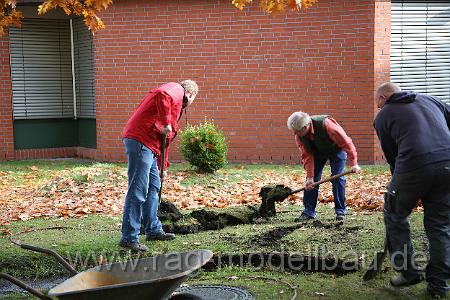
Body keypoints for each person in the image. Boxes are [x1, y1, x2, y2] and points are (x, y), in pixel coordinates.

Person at [374, 82, 450, 298]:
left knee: (394, 214)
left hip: (412, 165)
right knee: (440, 225)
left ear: (383, 98)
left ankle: (408, 272)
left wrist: (400, 184)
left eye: (378, 103)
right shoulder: (431, 100)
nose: (378, 108)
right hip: (448, 164)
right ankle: (439, 286)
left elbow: (392, 156)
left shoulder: (383, 116)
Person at [119, 80, 198, 252]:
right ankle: (129, 238)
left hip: (151, 148)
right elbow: (161, 95)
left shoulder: (175, 108)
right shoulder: (177, 90)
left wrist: (164, 168)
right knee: (138, 190)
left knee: (154, 186)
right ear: (190, 95)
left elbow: (165, 141)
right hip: (141, 140)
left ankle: (153, 229)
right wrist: (166, 122)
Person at [287, 112, 361, 222]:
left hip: (336, 150)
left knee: (337, 178)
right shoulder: (299, 135)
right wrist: (310, 177)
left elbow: (347, 143)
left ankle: (340, 211)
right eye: (293, 132)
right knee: (311, 182)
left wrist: (354, 163)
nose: (295, 134)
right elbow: (306, 155)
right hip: (317, 153)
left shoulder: (326, 124)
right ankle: (309, 212)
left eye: (297, 131)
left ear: (306, 127)